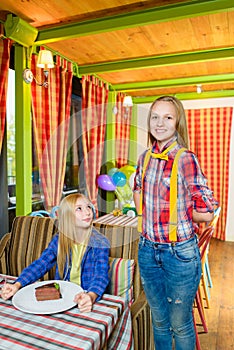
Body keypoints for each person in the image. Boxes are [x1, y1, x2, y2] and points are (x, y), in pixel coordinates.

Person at [133, 95, 217, 350]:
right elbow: (137, 189)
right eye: (155, 117)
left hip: (178, 254)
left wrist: (176, 213)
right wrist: (146, 213)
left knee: (180, 324)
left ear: (178, 122)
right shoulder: (144, 157)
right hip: (147, 250)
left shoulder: (185, 158)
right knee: (158, 322)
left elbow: (208, 211)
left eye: (167, 117)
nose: (160, 123)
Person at [1, 193, 110, 313]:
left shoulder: (100, 242)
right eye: (79, 208)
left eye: (88, 207)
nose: (88, 212)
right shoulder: (59, 240)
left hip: (86, 299)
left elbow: (101, 274)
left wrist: (91, 296)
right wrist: (17, 285)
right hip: (63, 299)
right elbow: (41, 264)